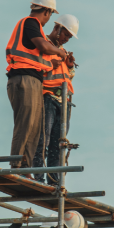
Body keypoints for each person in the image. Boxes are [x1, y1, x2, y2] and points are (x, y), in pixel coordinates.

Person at [6, 0, 68, 178]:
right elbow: (43, 46)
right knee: (25, 125)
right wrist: (61, 53)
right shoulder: (30, 23)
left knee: (34, 128)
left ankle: (26, 167)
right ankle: (17, 165)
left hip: (33, 80)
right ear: (47, 11)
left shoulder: (35, 28)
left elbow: (38, 56)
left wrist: (51, 62)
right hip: (23, 79)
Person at [32, 14, 80, 185]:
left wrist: (71, 66)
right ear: (57, 28)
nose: (67, 39)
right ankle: (38, 176)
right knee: (42, 139)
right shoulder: (43, 44)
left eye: (69, 36)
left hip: (63, 101)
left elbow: (68, 77)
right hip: (48, 97)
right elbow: (36, 68)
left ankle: (54, 180)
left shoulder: (63, 52)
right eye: (65, 34)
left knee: (58, 144)